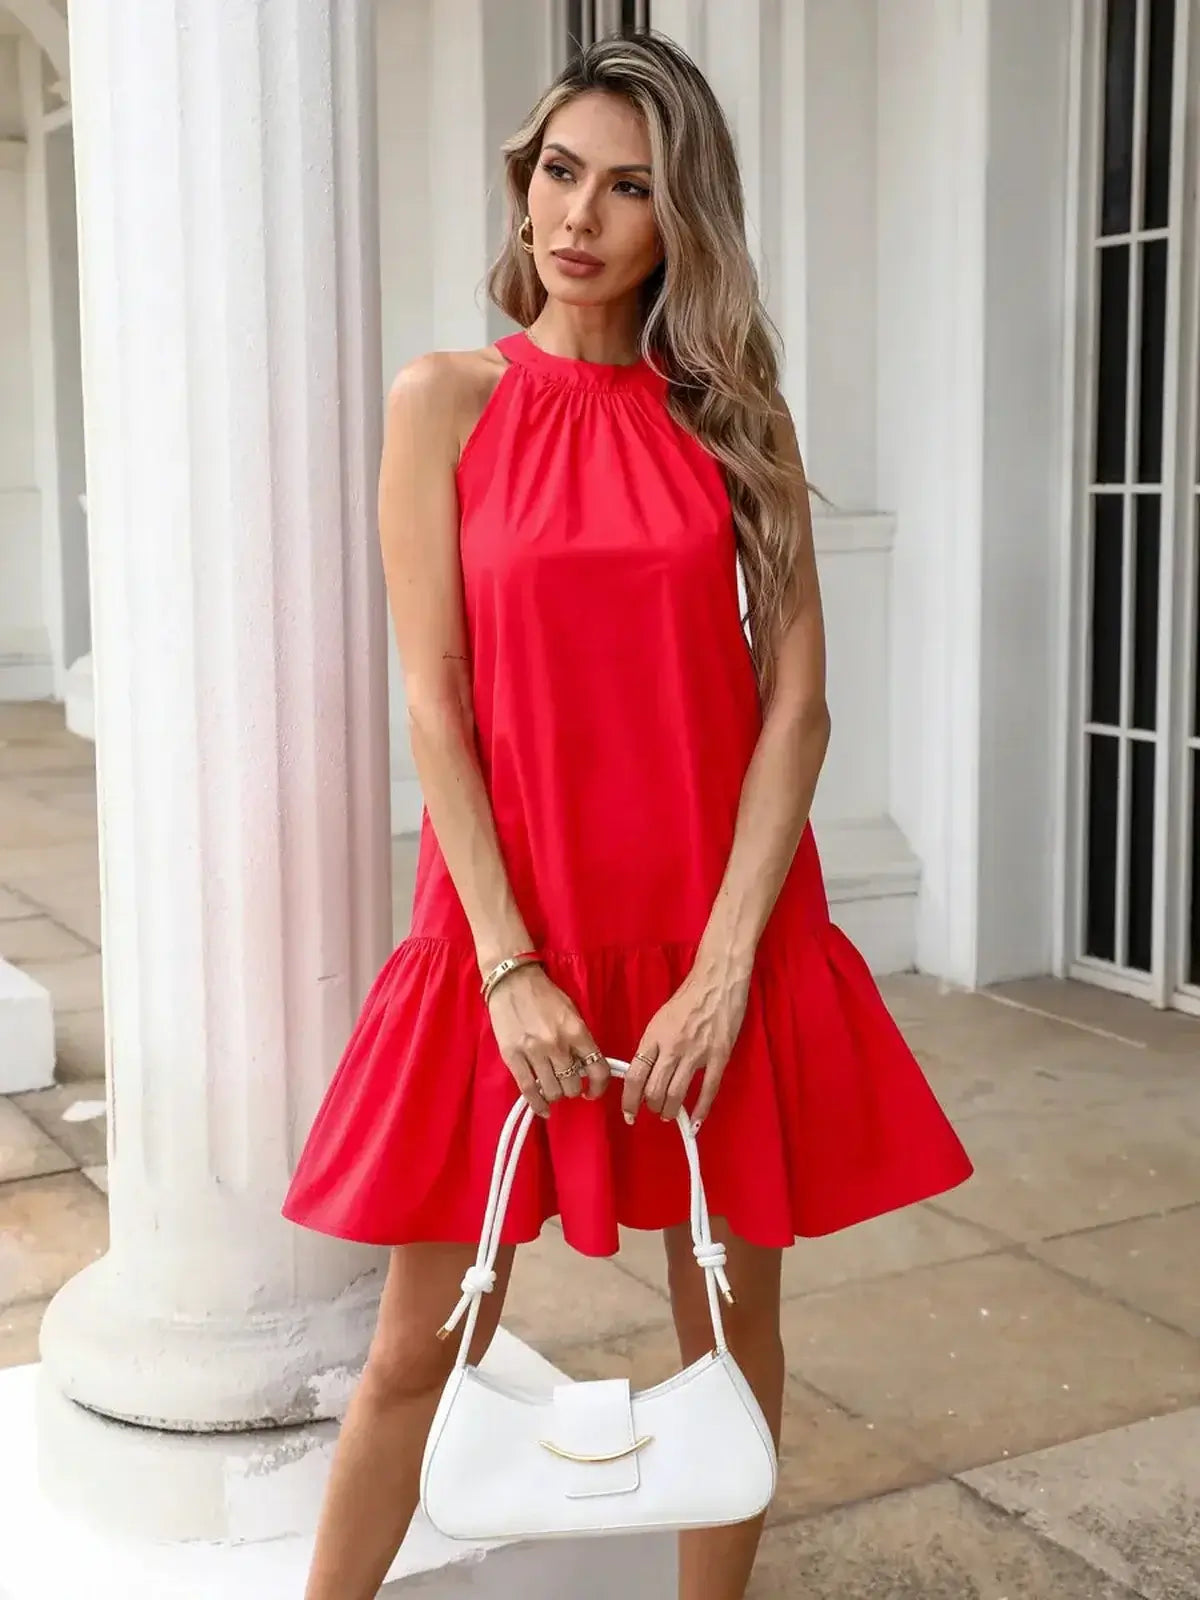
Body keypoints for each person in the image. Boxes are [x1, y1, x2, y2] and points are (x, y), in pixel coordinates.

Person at [283, 29, 972, 1600]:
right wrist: (507, 968)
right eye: (559, 171)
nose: (580, 214)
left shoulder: (738, 417)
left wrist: (729, 967)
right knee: (414, 1346)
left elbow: (796, 708)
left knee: (729, 1334)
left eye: (631, 186)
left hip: (710, 926)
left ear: (684, 220)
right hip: (515, 929)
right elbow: (436, 706)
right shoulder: (443, 402)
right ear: (523, 185)